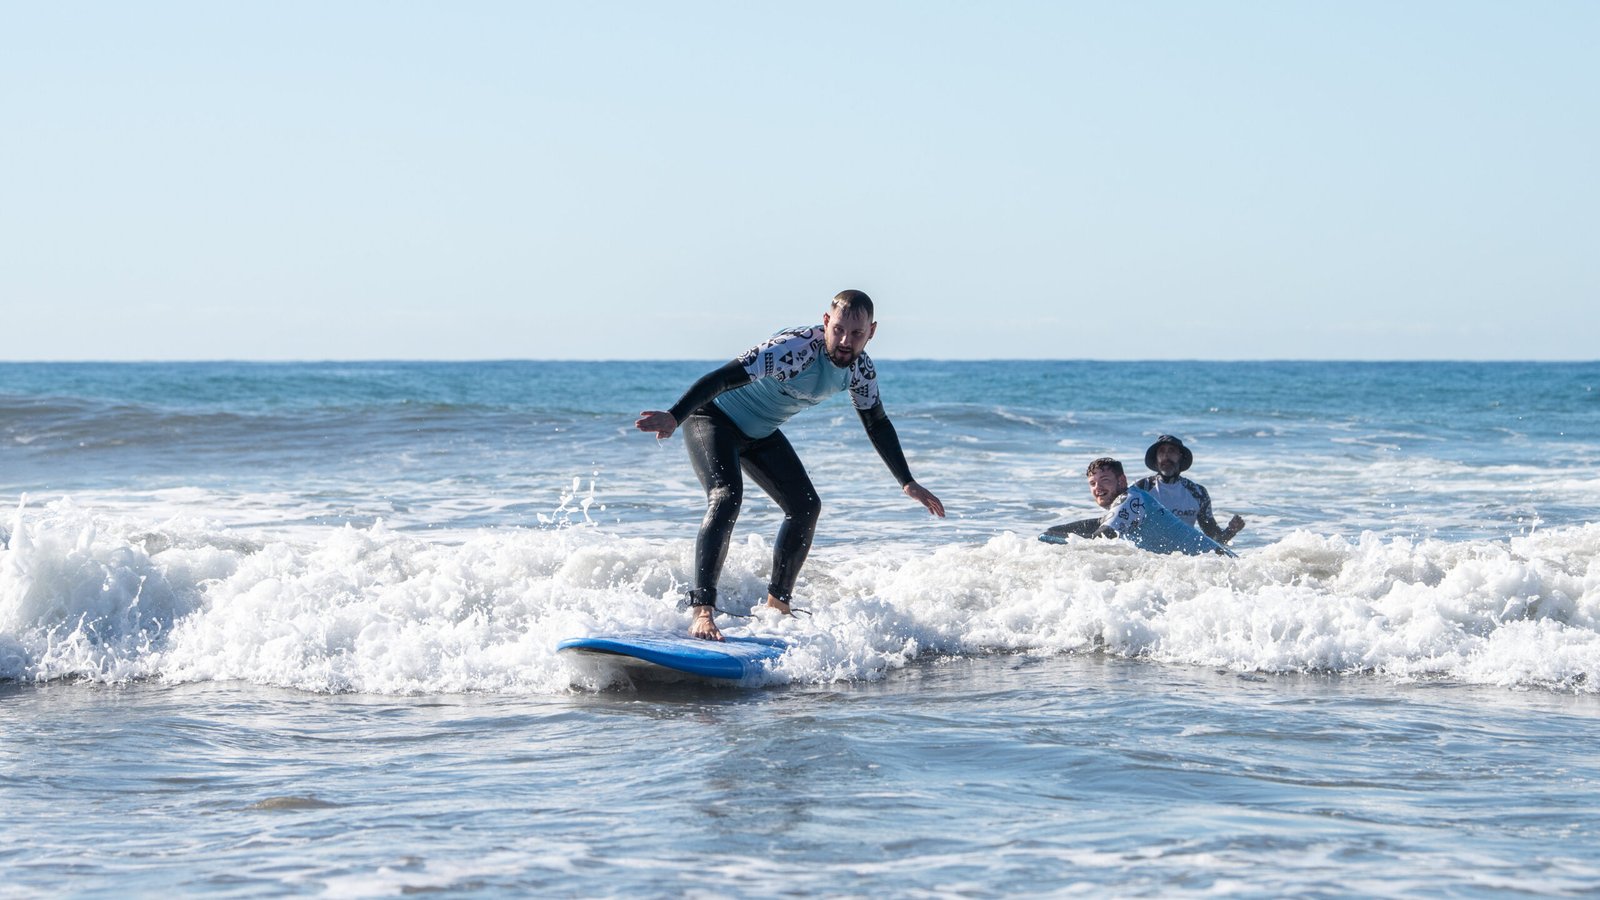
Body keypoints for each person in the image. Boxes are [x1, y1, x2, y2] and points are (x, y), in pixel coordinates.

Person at [635, 290, 945, 641]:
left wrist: (907, 481)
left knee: (805, 506)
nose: (845, 341)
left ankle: (777, 607)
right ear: (826, 322)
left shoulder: (860, 370)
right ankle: (702, 610)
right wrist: (676, 416)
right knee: (726, 496)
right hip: (713, 419)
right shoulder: (792, 350)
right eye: (839, 329)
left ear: (871, 332)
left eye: (856, 334)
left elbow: (876, 423)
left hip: (761, 432)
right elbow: (720, 379)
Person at [1041, 457, 1235, 556]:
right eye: (1092, 483)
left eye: (1105, 480)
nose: (1098, 488)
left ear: (1122, 480)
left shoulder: (1130, 498)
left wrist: (1052, 543)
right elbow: (1099, 523)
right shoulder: (1131, 500)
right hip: (1211, 563)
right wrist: (1049, 533)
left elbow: (1101, 538)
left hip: (1217, 563)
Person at [1132, 435, 1245, 544]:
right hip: (1149, 559)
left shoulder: (1198, 493)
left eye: (1171, 451)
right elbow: (1121, 527)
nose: (1166, 455)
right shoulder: (1141, 489)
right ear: (1156, 459)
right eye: (1161, 451)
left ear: (1181, 457)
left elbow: (1215, 540)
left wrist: (1231, 531)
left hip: (1183, 559)